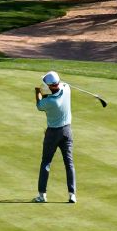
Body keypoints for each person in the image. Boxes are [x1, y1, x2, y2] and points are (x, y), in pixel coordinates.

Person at [33, 71, 77, 203]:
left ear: (51, 86)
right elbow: (63, 86)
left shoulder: (51, 102)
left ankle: (42, 195)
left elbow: (39, 105)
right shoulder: (67, 89)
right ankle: (72, 194)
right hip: (67, 131)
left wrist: (37, 92)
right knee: (69, 163)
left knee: (46, 162)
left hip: (53, 133)